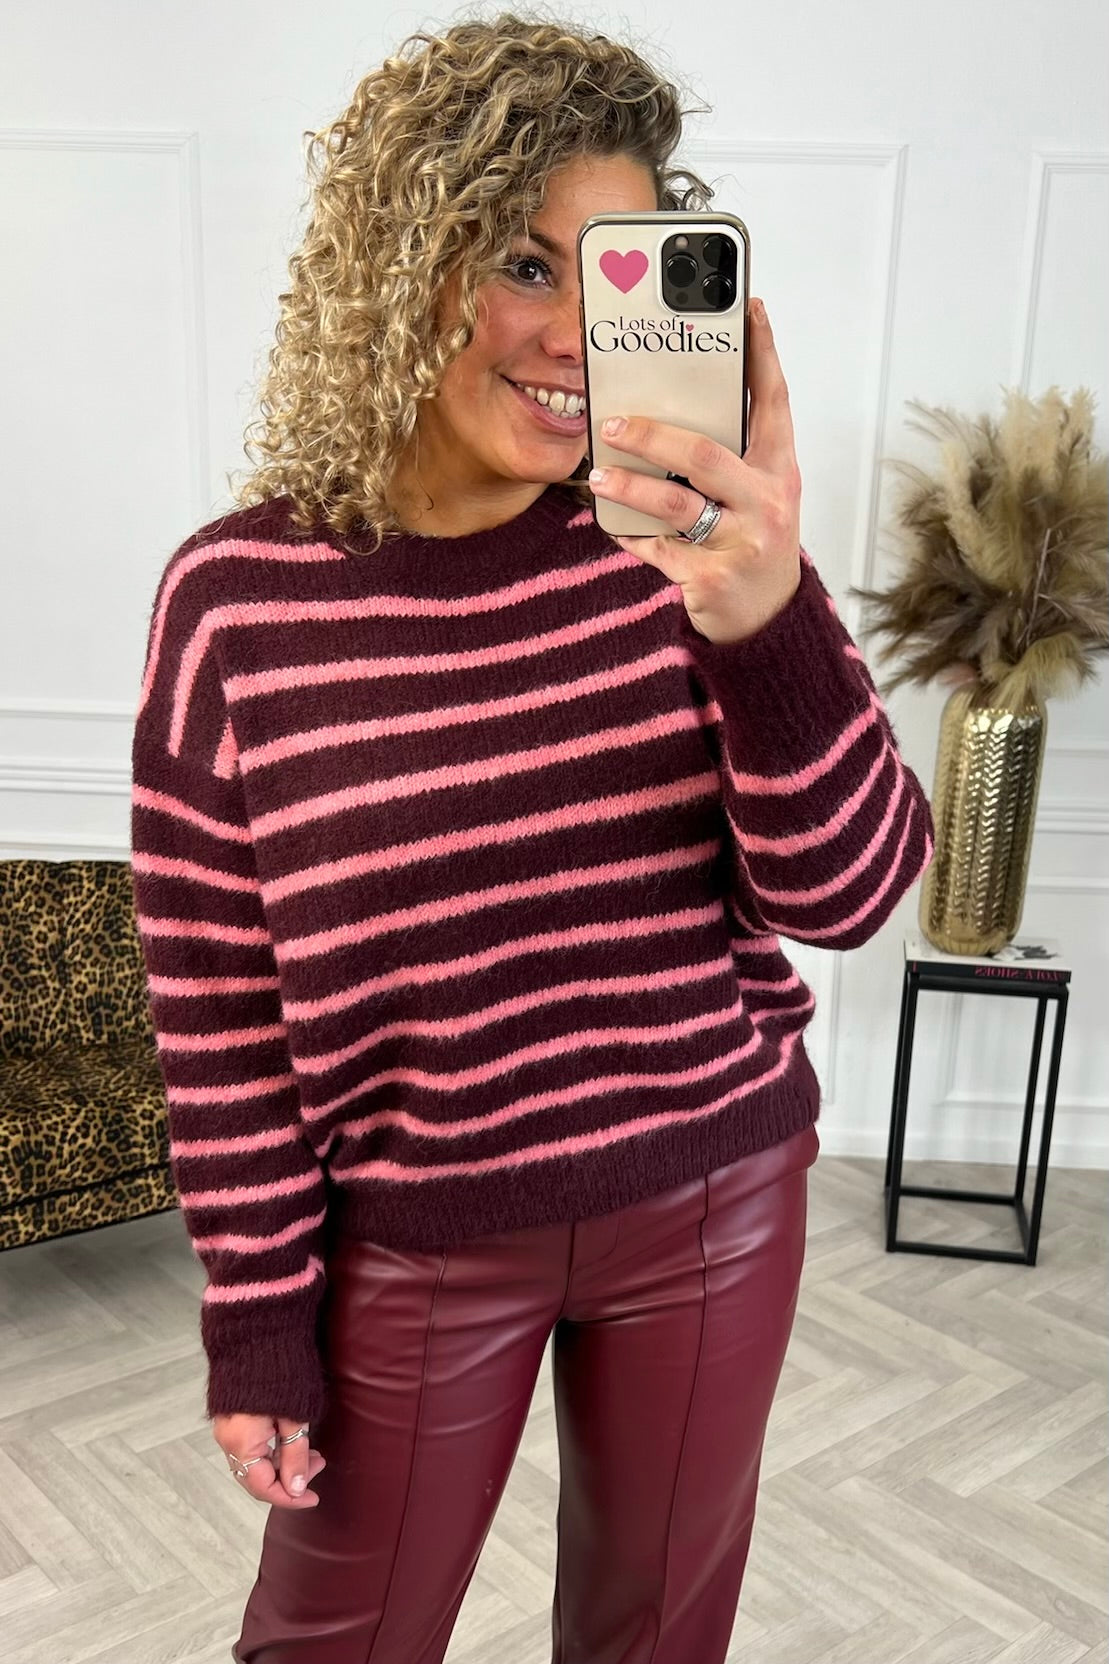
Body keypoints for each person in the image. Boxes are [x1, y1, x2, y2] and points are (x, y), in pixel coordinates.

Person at [129, 14, 935, 1663]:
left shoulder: (695, 558)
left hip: (712, 1196)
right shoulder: (236, 605)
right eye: (519, 263)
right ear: (399, 264)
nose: (575, 337)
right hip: (418, 1238)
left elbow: (850, 895)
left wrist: (765, 615)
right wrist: (258, 1322)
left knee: (653, 1637)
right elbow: (221, 1016)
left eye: (615, 276)